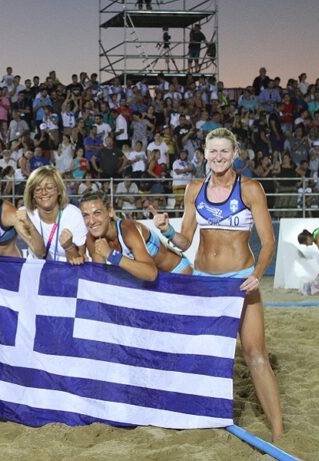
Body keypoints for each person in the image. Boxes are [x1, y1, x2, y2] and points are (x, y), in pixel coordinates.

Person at [152, 128, 283, 440]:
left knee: (255, 354)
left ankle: (280, 433)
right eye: (213, 151)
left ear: (234, 154)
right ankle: (197, 419)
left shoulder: (250, 188)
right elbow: (184, 242)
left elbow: (268, 242)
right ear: (205, 154)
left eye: (225, 151)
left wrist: (258, 274)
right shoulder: (194, 189)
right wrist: (167, 230)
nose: (219, 157)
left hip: (240, 282)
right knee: (199, 351)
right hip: (204, 283)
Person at [80, 191, 192, 278]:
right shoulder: (92, 239)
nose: (91, 221)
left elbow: (151, 273)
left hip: (178, 273)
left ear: (110, 212)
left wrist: (111, 255)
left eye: (97, 213)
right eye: (86, 215)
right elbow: (101, 278)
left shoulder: (128, 229)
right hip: (148, 285)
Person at [21, 166, 87, 263]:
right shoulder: (27, 216)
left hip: (66, 274)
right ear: (32, 194)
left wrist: (69, 247)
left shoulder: (73, 215)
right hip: (37, 273)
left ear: (59, 190)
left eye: (49, 188)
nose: (44, 192)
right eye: (38, 189)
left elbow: (81, 261)